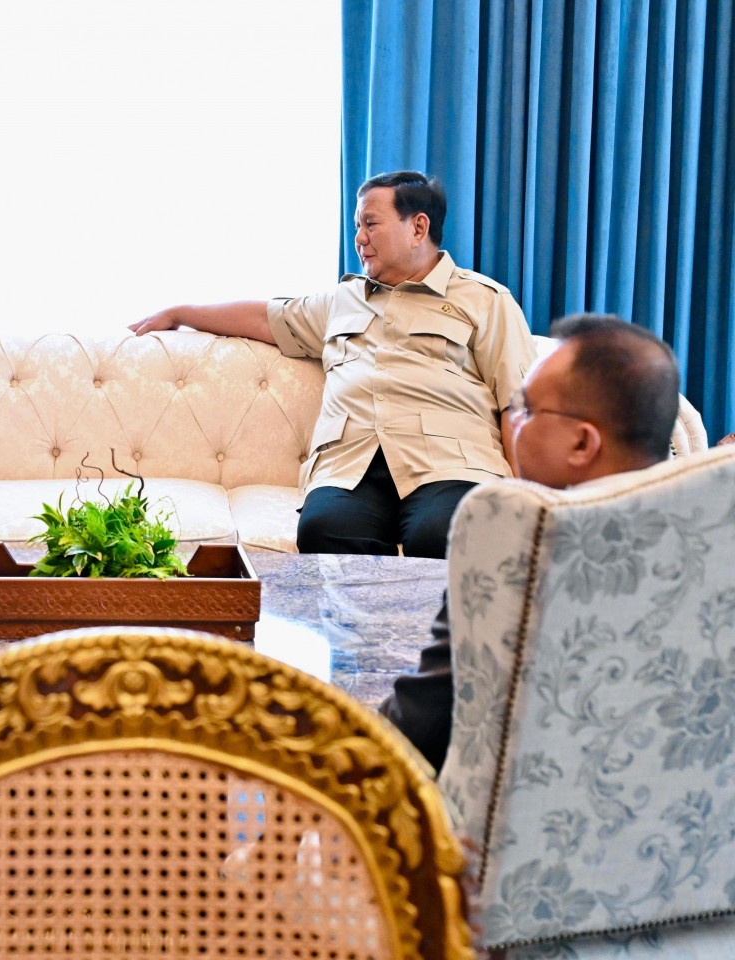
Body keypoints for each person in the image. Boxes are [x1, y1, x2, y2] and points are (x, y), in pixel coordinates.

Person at [129, 170, 536, 559]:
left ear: (418, 228)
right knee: (323, 529)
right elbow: (264, 318)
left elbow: (518, 404)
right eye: (357, 226)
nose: (359, 238)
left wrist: (531, 496)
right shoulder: (343, 301)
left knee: (446, 532)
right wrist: (181, 312)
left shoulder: (485, 300)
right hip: (351, 464)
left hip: (450, 463)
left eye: (370, 224)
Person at [380, 314, 680, 771]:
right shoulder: (709, 538)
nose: (512, 421)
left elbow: (418, 728)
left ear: (581, 444)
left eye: (527, 408)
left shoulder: (514, 539)